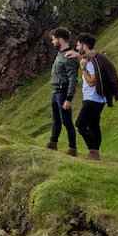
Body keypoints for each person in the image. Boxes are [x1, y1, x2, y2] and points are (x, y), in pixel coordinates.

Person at [73, 33, 118, 160]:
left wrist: (83, 69)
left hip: (93, 99)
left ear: (84, 45)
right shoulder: (92, 58)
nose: (76, 46)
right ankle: (95, 153)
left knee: (80, 124)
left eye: (78, 44)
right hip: (96, 99)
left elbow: (92, 81)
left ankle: (93, 151)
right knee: (94, 125)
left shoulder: (90, 62)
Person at [45, 27, 78, 155]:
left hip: (63, 92)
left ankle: (72, 148)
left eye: (54, 39)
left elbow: (72, 79)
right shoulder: (60, 53)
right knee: (56, 119)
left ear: (60, 39)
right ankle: (53, 143)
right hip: (55, 91)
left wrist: (69, 98)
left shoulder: (69, 56)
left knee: (67, 121)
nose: (53, 42)